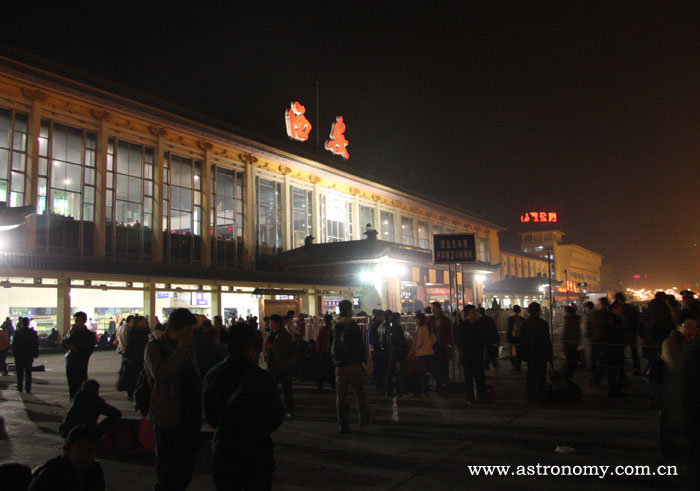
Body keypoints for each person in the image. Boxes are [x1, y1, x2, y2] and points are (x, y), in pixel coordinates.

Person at [203, 322, 284, 490]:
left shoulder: (214, 375)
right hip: (257, 453)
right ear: (251, 347)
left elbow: (210, 416)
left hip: (224, 451)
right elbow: (276, 417)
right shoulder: (262, 378)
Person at [144, 308, 202, 491]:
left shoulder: (189, 348)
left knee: (186, 467)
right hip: (167, 417)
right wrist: (179, 351)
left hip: (189, 415)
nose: (191, 336)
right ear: (175, 330)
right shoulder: (154, 347)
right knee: (168, 469)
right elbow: (160, 374)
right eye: (188, 332)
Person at [329, 300, 369, 433]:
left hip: (339, 365)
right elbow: (359, 345)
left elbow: (331, 344)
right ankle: (363, 420)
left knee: (341, 395)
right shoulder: (352, 325)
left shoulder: (334, 325)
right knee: (359, 393)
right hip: (352, 364)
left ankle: (343, 424)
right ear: (348, 310)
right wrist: (361, 361)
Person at [29, 425, 105, 491]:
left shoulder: (95, 471)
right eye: (80, 449)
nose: (85, 455)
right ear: (67, 450)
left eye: (90, 449)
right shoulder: (51, 474)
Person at [519, 302, 552, 403]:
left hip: (530, 353)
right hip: (541, 353)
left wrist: (523, 354)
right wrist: (549, 355)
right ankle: (540, 396)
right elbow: (547, 340)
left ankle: (530, 396)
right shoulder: (543, 323)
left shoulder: (525, 323)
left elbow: (523, 339)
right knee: (541, 376)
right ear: (538, 311)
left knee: (531, 375)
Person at [455, 305, 488, 404]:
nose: (475, 313)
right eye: (472, 311)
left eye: (475, 311)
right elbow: (459, 341)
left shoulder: (479, 325)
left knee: (480, 378)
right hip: (468, 356)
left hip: (477, 355)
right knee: (468, 378)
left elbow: (483, 339)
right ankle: (470, 398)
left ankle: (482, 397)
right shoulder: (463, 326)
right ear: (467, 314)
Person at [62, 312, 96, 399]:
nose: (77, 323)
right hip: (70, 364)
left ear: (84, 321)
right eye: (75, 321)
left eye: (79, 321)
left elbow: (87, 351)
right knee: (72, 388)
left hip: (81, 365)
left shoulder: (89, 335)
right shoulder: (72, 332)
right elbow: (63, 343)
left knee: (81, 388)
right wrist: (70, 334)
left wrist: (74, 349)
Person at [267, 314, 296, 418]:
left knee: (286, 389)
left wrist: (272, 347)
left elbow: (286, 350)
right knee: (275, 389)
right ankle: (280, 409)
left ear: (277, 323)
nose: (270, 324)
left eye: (272, 322)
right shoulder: (273, 333)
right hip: (274, 365)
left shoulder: (284, 334)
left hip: (283, 365)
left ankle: (289, 410)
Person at [412, 312, 446, 396]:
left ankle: (424, 392)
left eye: (416, 319)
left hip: (422, 354)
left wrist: (414, 348)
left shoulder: (420, 329)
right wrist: (429, 345)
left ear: (420, 320)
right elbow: (434, 339)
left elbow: (419, 342)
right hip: (430, 352)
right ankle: (441, 381)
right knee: (431, 370)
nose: (416, 321)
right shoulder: (428, 327)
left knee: (422, 373)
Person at [640, 291, 674, 365]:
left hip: (648, 340)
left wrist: (642, 336)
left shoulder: (647, 310)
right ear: (664, 299)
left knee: (651, 362)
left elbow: (640, 324)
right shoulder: (663, 310)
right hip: (660, 340)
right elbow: (668, 325)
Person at [614, 292, 642, 376]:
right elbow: (637, 321)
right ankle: (637, 368)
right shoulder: (631, 308)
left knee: (620, 351)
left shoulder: (618, 308)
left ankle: (621, 369)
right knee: (634, 352)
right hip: (632, 332)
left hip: (622, 332)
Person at [123, 315, 150, 401]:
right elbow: (129, 346)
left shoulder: (147, 331)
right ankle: (131, 393)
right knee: (133, 376)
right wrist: (127, 356)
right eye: (142, 322)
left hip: (144, 357)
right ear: (137, 323)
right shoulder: (133, 332)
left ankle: (142, 392)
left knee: (143, 376)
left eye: (145, 322)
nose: (144, 323)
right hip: (134, 357)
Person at [384, 312, 409, 397]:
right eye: (399, 318)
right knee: (401, 373)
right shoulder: (397, 328)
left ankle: (388, 390)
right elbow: (400, 341)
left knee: (391, 372)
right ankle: (402, 391)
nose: (400, 320)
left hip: (392, 352)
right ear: (397, 319)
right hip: (398, 353)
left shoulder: (389, 327)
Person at [427, 302, 452, 384]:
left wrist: (450, 344)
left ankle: (445, 383)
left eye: (433, 308)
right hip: (433, 346)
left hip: (443, 345)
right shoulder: (430, 320)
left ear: (438, 309)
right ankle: (439, 384)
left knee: (444, 365)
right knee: (435, 366)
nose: (432, 310)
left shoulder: (446, 320)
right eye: (432, 309)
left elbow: (449, 333)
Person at [12, 317, 39, 393]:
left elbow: (15, 345)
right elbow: (35, 344)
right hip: (28, 355)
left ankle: (20, 386)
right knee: (28, 372)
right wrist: (35, 353)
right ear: (28, 323)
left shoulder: (18, 333)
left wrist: (15, 354)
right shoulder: (32, 333)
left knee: (19, 372)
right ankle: (28, 388)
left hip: (19, 355)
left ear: (21, 323)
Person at [316, 313, 335, 392]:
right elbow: (319, 340)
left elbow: (319, 340)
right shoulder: (329, 329)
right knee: (329, 370)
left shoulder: (325, 329)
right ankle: (331, 386)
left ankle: (325, 386)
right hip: (327, 352)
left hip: (327, 352)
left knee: (326, 370)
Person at [367, 310, 385, 392]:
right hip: (378, 350)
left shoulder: (373, 325)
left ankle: (378, 385)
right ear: (379, 316)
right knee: (379, 368)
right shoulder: (377, 325)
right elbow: (374, 339)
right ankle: (380, 386)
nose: (383, 318)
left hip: (375, 349)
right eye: (382, 316)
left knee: (377, 367)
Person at [562, 305, 581, 379]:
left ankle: (569, 374)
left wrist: (564, 341)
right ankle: (571, 372)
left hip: (568, 342)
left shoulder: (568, 320)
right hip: (575, 342)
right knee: (572, 358)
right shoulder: (576, 320)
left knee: (569, 359)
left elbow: (566, 332)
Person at [479, 307, 499, 371]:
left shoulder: (479, 320)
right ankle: (492, 363)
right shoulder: (490, 319)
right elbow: (494, 328)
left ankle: (488, 364)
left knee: (487, 352)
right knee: (490, 351)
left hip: (484, 338)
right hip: (491, 338)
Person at [506, 305, 523, 371]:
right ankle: (518, 366)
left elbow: (509, 329)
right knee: (519, 353)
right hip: (520, 339)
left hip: (512, 339)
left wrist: (508, 338)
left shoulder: (510, 319)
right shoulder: (522, 319)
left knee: (512, 353)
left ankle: (514, 365)